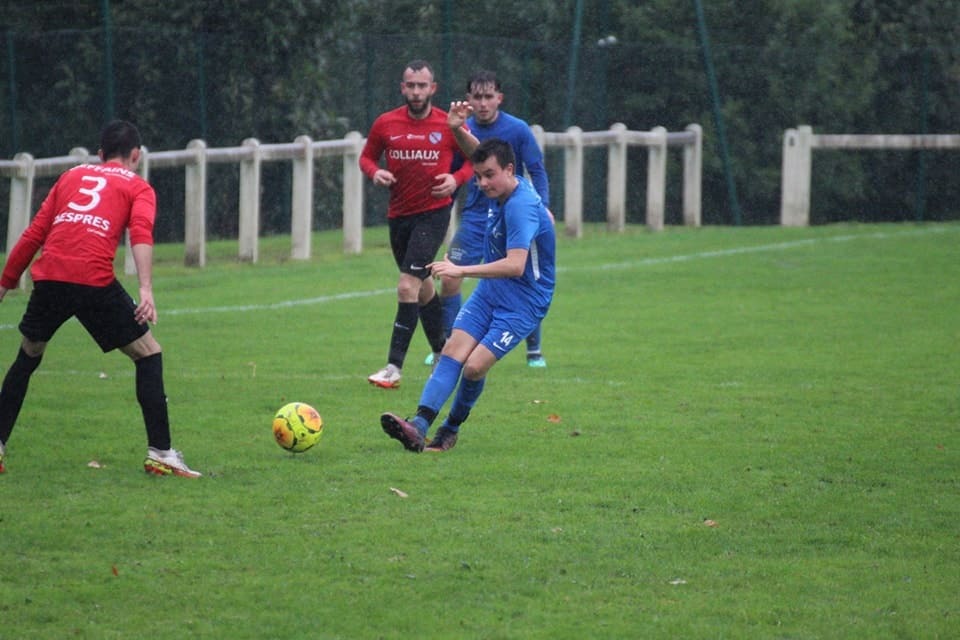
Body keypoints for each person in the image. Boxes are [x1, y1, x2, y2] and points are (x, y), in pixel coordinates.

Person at [0, 120, 200, 478]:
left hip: (51, 278)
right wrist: (146, 289)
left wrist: (5, 282)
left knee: (28, 355)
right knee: (148, 353)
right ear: (136, 155)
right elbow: (140, 232)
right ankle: (162, 453)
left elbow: (34, 234)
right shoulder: (138, 187)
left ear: (100, 155)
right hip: (93, 279)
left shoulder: (71, 176)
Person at [380, 121, 556, 453]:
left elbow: (515, 265)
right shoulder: (500, 184)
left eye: (489, 175)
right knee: (451, 352)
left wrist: (460, 269)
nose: (482, 183)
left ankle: (449, 429)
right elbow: (478, 153)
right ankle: (417, 426)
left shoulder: (520, 206)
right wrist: (457, 127)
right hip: (493, 293)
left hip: (525, 302)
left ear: (509, 170)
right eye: (479, 176)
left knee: (474, 366)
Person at [425, 70, 552, 369]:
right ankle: (447, 345)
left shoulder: (518, 130)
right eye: (477, 97)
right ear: (468, 99)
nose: (482, 103)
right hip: (476, 217)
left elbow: (537, 169)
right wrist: (449, 193)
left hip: (512, 216)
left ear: (499, 98)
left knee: (520, 279)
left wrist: (543, 206)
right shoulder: (461, 129)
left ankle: (534, 349)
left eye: (488, 96)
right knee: (451, 276)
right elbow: (458, 171)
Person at [360, 59, 474, 389]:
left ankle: (393, 368)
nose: (416, 91)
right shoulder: (385, 123)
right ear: (402, 88)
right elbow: (366, 157)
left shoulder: (447, 123)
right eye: (410, 85)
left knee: (407, 285)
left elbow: (473, 160)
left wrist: (455, 180)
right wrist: (375, 172)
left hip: (434, 213)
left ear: (432, 89)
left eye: (422, 85)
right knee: (423, 288)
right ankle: (444, 353)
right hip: (399, 216)